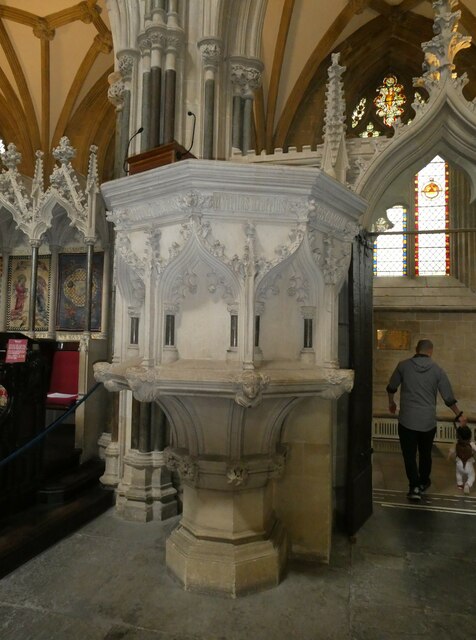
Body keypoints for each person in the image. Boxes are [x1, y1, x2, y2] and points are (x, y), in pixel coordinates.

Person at [386, 339, 467, 501]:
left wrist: (391, 402)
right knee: (425, 454)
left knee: (409, 455)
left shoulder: (403, 366)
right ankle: (423, 482)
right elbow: (448, 397)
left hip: (407, 420)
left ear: (417, 349)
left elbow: (391, 387)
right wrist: (459, 415)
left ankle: (414, 487)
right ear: (431, 351)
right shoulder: (438, 370)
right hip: (428, 422)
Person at [448, 425, 476, 495]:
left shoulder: (457, 444)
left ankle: (460, 484)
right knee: (472, 475)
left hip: (459, 464)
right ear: (470, 435)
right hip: (468, 464)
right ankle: (468, 484)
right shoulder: (471, 444)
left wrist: (448, 456)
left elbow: (451, 451)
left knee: (458, 473)